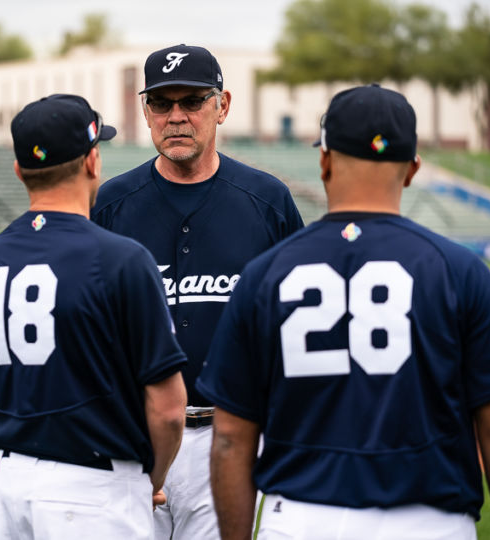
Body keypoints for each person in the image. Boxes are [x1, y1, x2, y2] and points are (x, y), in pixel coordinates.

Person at [196, 84, 490, 540]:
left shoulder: (266, 274)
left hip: (300, 520)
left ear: (324, 160)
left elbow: (230, 439)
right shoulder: (460, 271)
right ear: (413, 168)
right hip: (429, 522)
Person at [92, 44, 304, 539]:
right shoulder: (110, 203)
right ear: (145, 111)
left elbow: (294, 320)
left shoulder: (267, 201)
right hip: (128, 438)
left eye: (193, 101)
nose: (177, 116)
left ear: (222, 105)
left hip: (226, 438)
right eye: (162, 104)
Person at [0, 94, 188, 539]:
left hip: (11, 484)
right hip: (94, 488)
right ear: (92, 161)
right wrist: (152, 479)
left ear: (20, 170)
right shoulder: (121, 258)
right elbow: (169, 409)